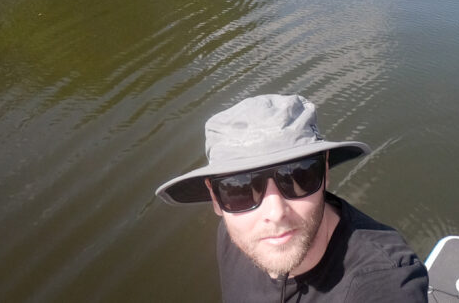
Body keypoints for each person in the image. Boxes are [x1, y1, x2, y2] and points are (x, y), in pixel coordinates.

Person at [156, 94, 428, 302]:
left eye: (299, 176)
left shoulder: (384, 282)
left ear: (325, 173)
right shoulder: (231, 236)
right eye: (238, 190)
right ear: (217, 200)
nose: (275, 212)